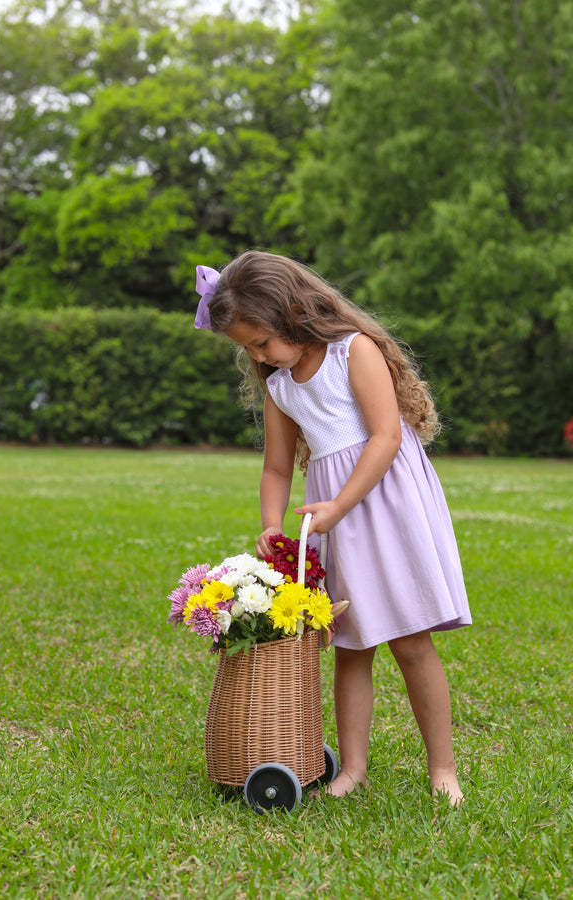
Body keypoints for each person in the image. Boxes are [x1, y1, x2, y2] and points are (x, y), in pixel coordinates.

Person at [194, 250, 471, 805]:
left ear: (293, 312)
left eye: (262, 341)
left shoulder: (353, 352)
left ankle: (443, 769)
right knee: (350, 642)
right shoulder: (281, 388)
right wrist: (274, 526)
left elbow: (386, 437)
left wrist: (340, 504)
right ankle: (352, 770)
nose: (257, 355)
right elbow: (276, 467)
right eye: (248, 348)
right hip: (331, 515)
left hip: (384, 501)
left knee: (411, 642)